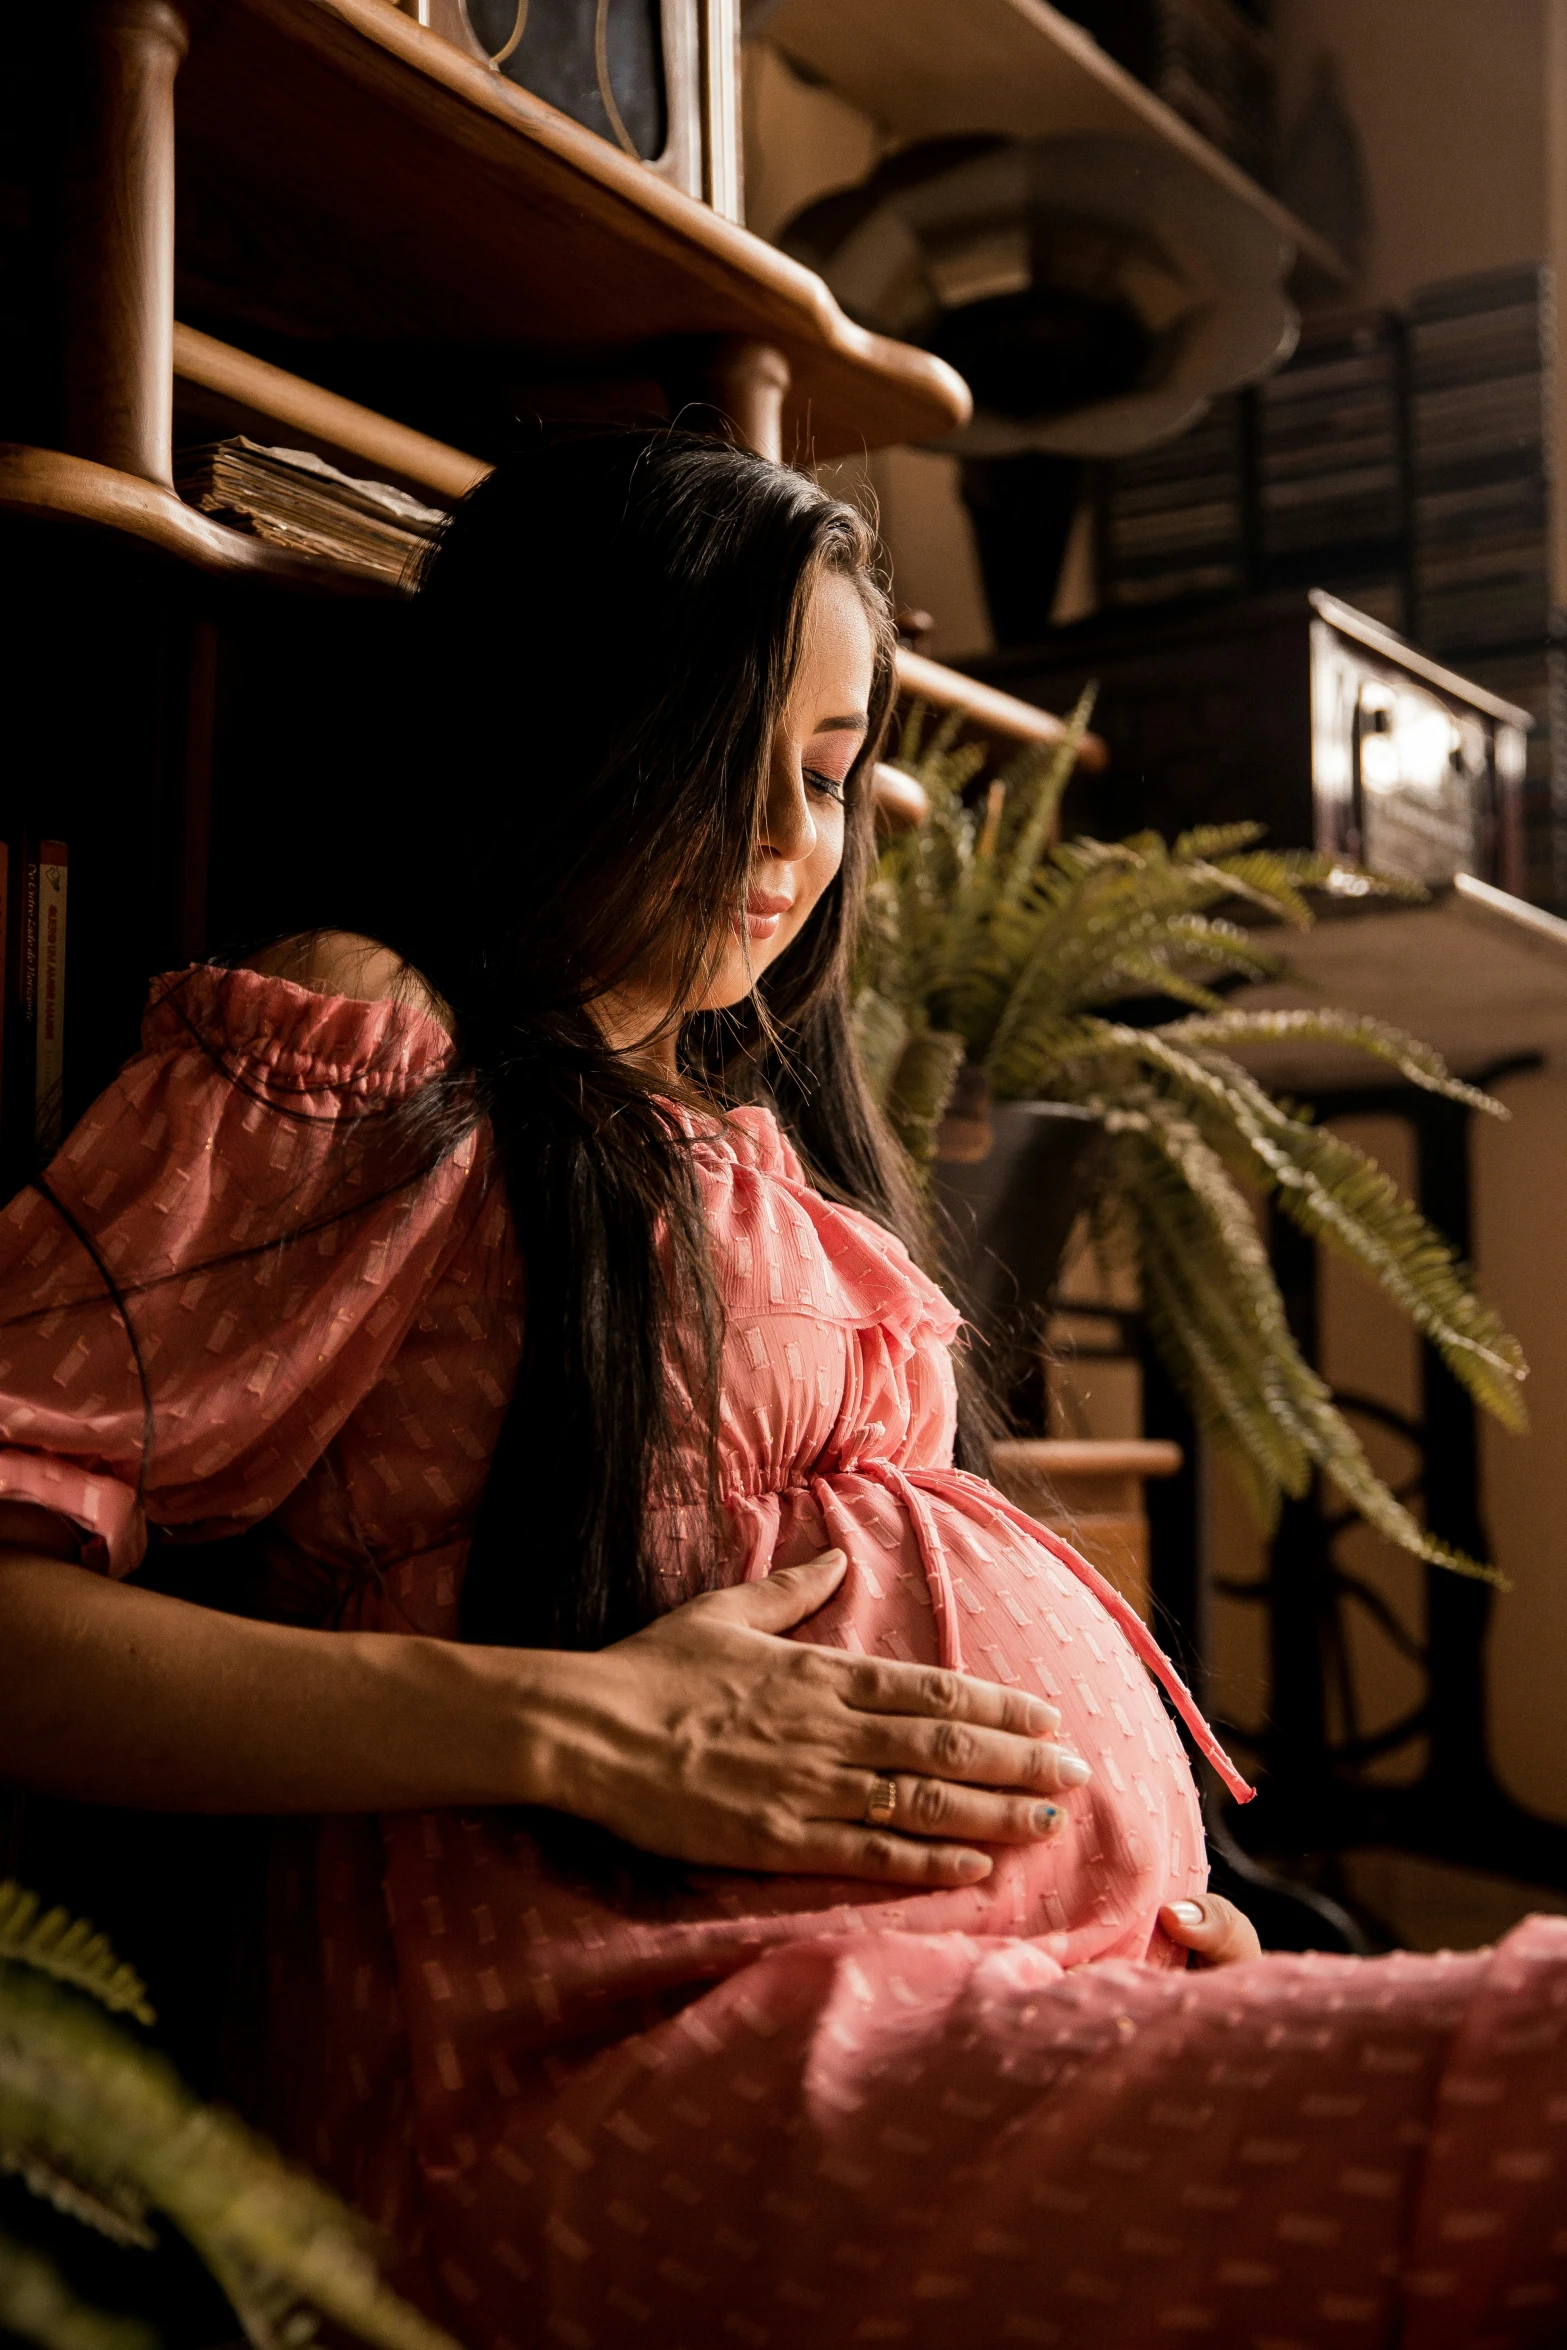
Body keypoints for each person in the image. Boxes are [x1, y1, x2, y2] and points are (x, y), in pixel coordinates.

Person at [1, 431, 1564, 2350]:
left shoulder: (766, 1139)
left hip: (977, 2002)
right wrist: (574, 1727)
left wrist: (1131, 1911)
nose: (786, 846)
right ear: (548, 733)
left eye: (825, 779)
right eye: (722, 768)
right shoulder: (381, 1045)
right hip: (605, 2055)